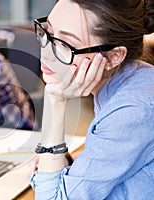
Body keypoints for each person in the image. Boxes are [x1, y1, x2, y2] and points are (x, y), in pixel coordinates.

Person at [30, 0, 154, 199]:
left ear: (114, 56)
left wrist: (56, 101)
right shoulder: (130, 80)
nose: (46, 54)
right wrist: (64, 160)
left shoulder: (133, 109)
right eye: (48, 33)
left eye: (65, 44)